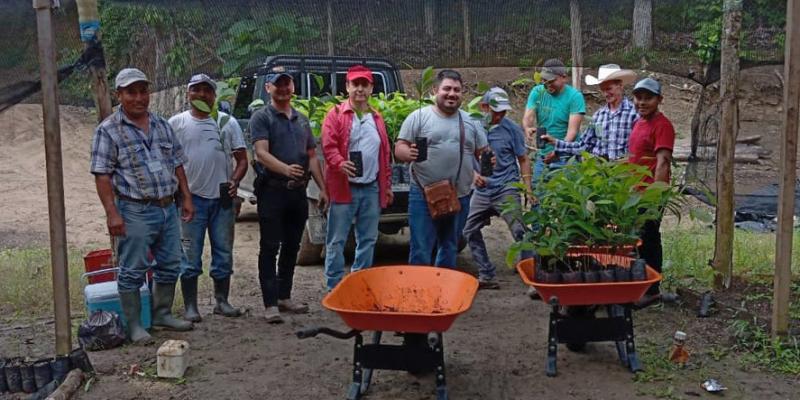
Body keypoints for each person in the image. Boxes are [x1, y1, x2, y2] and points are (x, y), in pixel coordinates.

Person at [90, 68, 194, 343]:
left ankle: (162, 314)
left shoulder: (161, 124)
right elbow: (102, 175)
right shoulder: (108, 130)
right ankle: (135, 326)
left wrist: (186, 196)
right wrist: (112, 213)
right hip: (134, 210)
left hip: (167, 207)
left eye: (143, 91)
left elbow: (177, 163)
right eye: (131, 92)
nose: (138, 98)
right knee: (133, 269)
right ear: (119, 95)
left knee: (171, 264)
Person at [250, 71, 329, 323]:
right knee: (270, 246)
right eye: (278, 85)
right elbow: (261, 153)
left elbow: (312, 157)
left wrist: (323, 188)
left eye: (287, 84)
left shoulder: (302, 120)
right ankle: (270, 303)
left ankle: (284, 296)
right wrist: (285, 169)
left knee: (292, 245)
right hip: (272, 190)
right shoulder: (261, 117)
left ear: (293, 87)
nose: (283, 88)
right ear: (268, 88)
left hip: (298, 191)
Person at [169, 73, 248, 321]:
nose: (201, 94)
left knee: (223, 252)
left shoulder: (226, 123)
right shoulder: (177, 123)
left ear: (214, 95)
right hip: (190, 200)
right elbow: (168, 161)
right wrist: (180, 193)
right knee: (189, 255)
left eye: (207, 90)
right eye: (196, 89)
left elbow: (242, 159)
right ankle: (191, 306)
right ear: (188, 94)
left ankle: (222, 301)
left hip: (222, 200)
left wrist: (234, 181)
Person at [395, 69, 487, 268]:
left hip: (459, 195)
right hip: (423, 194)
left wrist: (489, 162)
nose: (452, 94)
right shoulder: (418, 117)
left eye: (457, 90)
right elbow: (400, 147)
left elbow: (482, 152)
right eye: (447, 89)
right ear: (435, 90)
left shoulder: (471, 121)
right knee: (420, 247)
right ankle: (419, 287)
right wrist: (408, 153)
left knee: (450, 246)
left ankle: (443, 286)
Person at [321, 65, 393, 290]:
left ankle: (359, 285)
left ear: (371, 88)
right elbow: (328, 146)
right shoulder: (336, 114)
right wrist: (339, 163)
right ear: (347, 87)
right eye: (355, 84)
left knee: (368, 239)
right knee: (337, 240)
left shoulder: (376, 117)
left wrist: (387, 185)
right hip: (344, 187)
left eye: (364, 84)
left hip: (371, 187)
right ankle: (334, 287)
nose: (360, 89)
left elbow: (384, 154)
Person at [462, 87, 533, 289]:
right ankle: (486, 272)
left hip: (506, 187)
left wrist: (527, 188)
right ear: (484, 107)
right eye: (496, 111)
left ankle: (530, 273)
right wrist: (473, 176)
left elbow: (523, 159)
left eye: (503, 111)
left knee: (520, 231)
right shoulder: (474, 126)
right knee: (468, 229)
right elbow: (464, 154)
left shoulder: (512, 129)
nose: (500, 115)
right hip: (482, 189)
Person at [628, 77, 676, 305]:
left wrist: (654, 197)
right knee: (638, 239)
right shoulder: (639, 123)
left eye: (648, 98)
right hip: (634, 194)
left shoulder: (662, 125)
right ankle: (640, 284)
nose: (642, 102)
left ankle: (653, 290)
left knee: (649, 239)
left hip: (650, 193)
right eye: (638, 98)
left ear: (659, 100)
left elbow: (662, 162)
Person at [541, 64, 638, 161]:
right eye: (602, 90)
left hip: (622, 168)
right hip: (598, 168)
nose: (605, 94)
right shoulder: (599, 116)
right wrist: (555, 142)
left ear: (620, 86)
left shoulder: (633, 113)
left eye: (609, 89)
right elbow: (583, 146)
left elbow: (638, 147)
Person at [522, 58, 585, 182]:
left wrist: (557, 151)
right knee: (538, 189)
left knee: (564, 190)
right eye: (544, 80)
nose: (547, 84)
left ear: (563, 77)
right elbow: (528, 115)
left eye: (551, 81)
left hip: (567, 156)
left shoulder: (574, 97)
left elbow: (572, 132)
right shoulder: (538, 92)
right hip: (543, 154)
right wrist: (527, 127)